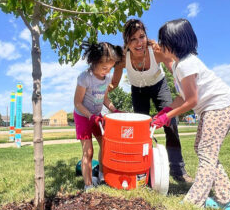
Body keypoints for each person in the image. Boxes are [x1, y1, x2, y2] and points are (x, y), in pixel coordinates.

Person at [153, 18, 230, 210]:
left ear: (175, 42)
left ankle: (195, 201)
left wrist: (168, 118)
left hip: (221, 105)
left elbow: (192, 100)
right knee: (203, 149)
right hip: (212, 107)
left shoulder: (187, 64)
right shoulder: (178, 66)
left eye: (163, 41)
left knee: (206, 152)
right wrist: (165, 111)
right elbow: (182, 96)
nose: (159, 45)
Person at [111, 19, 191, 182]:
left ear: (146, 36)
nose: (139, 43)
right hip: (138, 90)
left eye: (141, 37)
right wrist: (95, 90)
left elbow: (176, 71)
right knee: (142, 129)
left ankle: (178, 170)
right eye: (133, 39)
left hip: (158, 85)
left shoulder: (157, 52)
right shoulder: (122, 60)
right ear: (126, 43)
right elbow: (113, 84)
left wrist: (185, 88)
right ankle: (143, 169)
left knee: (171, 122)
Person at [74, 42, 123, 191]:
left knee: (106, 146)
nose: (107, 71)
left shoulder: (107, 79)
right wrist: (90, 116)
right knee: (88, 152)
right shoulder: (85, 78)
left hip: (97, 116)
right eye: (104, 68)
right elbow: (77, 103)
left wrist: (115, 110)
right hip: (83, 116)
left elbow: (105, 99)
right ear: (94, 62)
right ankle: (88, 185)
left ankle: (101, 176)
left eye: (110, 68)